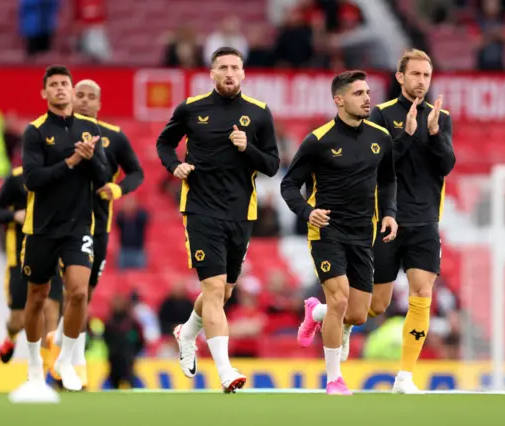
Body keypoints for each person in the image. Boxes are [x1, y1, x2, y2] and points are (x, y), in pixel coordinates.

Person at [299, 50, 455, 394]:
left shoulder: (440, 118)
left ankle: (405, 377)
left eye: (426, 76)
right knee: (373, 307)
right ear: (400, 78)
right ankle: (323, 312)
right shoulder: (380, 116)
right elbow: (381, 169)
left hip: (426, 221)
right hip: (385, 221)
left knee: (422, 294)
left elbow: (445, 165)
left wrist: (433, 136)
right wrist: (409, 136)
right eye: (414, 74)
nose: (421, 82)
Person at [156, 46, 279, 393]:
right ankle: (225, 372)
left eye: (234, 67)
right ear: (211, 73)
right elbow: (164, 143)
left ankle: (187, 332)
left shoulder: (258, 114)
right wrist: (174, 165)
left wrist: (248, 149)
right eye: (222, 67)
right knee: (212, 289)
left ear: (243, 73)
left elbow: (271, 165)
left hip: (241, 213)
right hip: (200, 209)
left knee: (223, 292)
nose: (228, 72)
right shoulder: (192, 109)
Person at [280, 70, 398, 395]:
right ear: (339, 99)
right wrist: (307, 212)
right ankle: (334, 378)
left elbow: (388, 181)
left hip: (363, 234)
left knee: (359, 313)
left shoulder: (381, 138)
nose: (367, 98)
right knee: (340, 299)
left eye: (368, 92)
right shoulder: (319, 141)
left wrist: (389, 213)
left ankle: (314, 311)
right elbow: (289, 184)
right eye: (359, 93)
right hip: (327, 231)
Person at [9, 65, 109, 403]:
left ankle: (65, 360)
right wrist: (70, 162)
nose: (61, 89)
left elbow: (105, 176)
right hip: (40, 228)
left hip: (79, 226)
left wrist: (91, 158)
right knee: (36, 298)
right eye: (54, 85)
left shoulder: (89, 129)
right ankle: (35, 364)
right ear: (45, 93)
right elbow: (32, 179)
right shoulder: (36, 131)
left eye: (65, 84)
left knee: (79, 293)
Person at [48, 79, 144, 389]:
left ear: (100, 105)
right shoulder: (55, 134)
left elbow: (137, 172)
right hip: (64, 227)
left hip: (98, 226)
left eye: (92, 97)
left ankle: (63, 347)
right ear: (71, 98)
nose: (86, 100)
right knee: (73, 293)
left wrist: (117, 188)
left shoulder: (113, 138)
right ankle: (73, 364)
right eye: (81, 95)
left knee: (83, 296)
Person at [0, 166, 64, 368]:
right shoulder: (16, 178)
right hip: (20, 260)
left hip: (51, 256)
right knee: (19, 320)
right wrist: (14, 216)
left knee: (50, 310)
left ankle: (44, 372)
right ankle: (11, 336)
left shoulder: (61, 175)